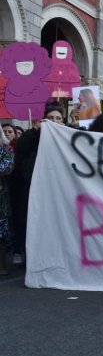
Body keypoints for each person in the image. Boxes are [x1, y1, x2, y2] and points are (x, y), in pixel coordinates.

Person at [9, 103, 65, 267]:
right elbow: (21, 147)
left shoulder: (66, 136)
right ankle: (23, 251)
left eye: (58, 119)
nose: (54, 121)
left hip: (56, 189)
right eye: (50, 118)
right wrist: (35, 131)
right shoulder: (31, 136)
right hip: (31, 187)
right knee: (27, 219)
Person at [0, 128, 14, 276]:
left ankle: (1, 265)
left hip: (1, 195)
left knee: (1, 232)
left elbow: (5, 167)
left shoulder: (6, 149)